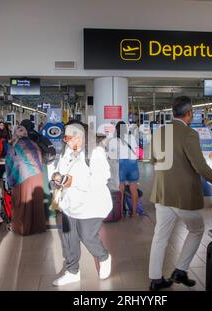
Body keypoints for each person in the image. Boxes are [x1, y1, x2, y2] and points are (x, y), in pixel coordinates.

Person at [148, 96, 212, 291]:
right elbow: (200, 166)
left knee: (160, 236)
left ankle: (156, 279)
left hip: (161, 192)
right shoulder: (189, 134)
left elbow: (152, 160)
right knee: (197, 229)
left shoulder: (159, 132)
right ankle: (180, 270)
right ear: (189, 112)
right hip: (182, 196)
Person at [52, 123, 112, 286]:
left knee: (87, 236)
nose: (66, 141)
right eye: (65, 138)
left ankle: (103, 256)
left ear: (79, 136)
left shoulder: (95, 152)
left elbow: (101, 178)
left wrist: (74, 181)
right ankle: (72, 271)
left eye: (68, 138)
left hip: (90, 205)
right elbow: (61, 170)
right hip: (69, 204)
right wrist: (57, 176)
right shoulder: (67, 152)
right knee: (69, 238)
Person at [5, 125, 46, 235]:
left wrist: (10, 180)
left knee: (23, 203)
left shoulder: (15, 145)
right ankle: (37, 227)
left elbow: (10, 163)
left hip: (22, 177)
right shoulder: (33, 144)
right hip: (37, 176)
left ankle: (22, 228)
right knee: (35, 202)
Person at [20, 119, 56, 221]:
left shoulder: (27, 137)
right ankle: (50, 213)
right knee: (45, 189)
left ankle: (36, 215)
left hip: (33, 166)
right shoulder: (37, 134)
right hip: (43, 164)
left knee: (33, 190)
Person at [107, 121, 140, 216]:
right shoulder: (132, 137)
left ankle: (120, 212)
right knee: (133, 188)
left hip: (121, 164)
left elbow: (111, 155)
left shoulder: (113, 140)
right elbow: (137, 150)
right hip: (132, 163)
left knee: (120, 188)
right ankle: (134, 213)